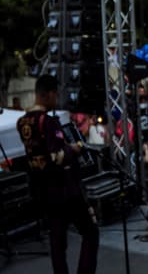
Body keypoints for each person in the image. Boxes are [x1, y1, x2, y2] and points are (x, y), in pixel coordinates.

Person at [17, 75, 99, 274]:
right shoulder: (49, 121)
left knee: (57, 242)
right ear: (50, 94)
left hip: (43, 191)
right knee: (90, 232)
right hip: (64, 190)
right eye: (55, 95)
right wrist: (75, 148)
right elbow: (57, 157)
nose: (56, 100)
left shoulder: (22, 122)